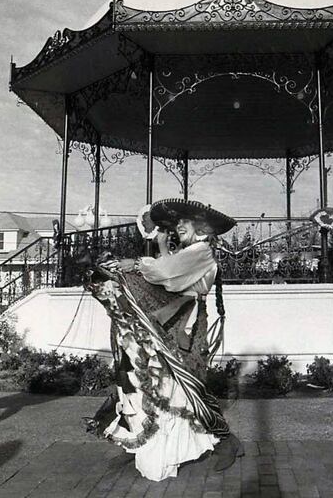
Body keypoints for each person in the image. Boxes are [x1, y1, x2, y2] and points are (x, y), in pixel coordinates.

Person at [83, 199, 243, 481]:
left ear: (202, 228)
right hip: (171, 320)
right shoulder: (188, 251)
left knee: (188, 384)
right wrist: (160, 248)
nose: (178, 226)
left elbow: (166, 276)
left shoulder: (202, 251)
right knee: (178, 387)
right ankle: (203, 442)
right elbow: (166, 274)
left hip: (185, 324)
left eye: (186, 221)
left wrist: (137, 262)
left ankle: (224, 439)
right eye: (176, 222)